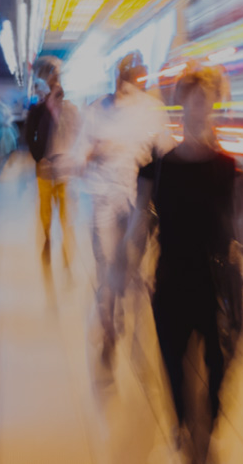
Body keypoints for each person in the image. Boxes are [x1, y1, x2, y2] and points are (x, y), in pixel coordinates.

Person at [146, 66, 243, 464]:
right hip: (171, 278)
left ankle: (207, 418)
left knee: (220, 361)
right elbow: (141, 224)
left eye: (209, 101)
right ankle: (185, 423)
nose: (203, 108)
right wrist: (125, 267)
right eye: (196, 99)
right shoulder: (161, 168)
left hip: (215, 282)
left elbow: (241, 226)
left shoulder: (227, 168)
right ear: (182, 104)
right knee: (174, 364)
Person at [74, 52, 174, 390]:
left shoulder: (152, 110)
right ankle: (109, 328)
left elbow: (166, 153)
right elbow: (79, 156)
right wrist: (91, 153)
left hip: (137, 204)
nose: (132, 83)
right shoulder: (96, 111)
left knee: (126, 268)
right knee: (108, 268)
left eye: (137, 77)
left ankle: (117, 309)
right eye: (128, 76)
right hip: (104, 200)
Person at [22, 56, 78, 268]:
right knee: (46, 209)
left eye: (57, 77)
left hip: (64, 168)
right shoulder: (38, 110)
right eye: (52, 77)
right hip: (45, 168)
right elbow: (29, 136)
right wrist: (40, 157)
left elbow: (78, 134)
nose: (55, 81)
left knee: (65, 210)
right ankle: (46, 237)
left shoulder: (70, 109)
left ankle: (65, 246)